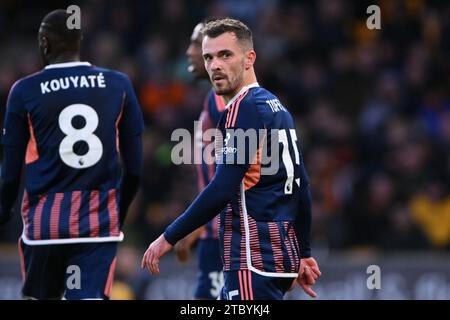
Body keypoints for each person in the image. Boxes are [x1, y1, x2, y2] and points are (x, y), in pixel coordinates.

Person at [142, 18, 320, 300]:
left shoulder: (241, 109)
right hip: (277, 259)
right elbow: (302, 187)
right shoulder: (277, 107)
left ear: (249, 58)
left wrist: (168, 236)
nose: (214, 65)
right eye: (209, 57)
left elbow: (223, 188)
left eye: (225, 55)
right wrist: (304, 252)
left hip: (251, 260)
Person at [0, 9, 144, 299]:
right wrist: (120, 209)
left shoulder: (24, 90)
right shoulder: (118, 84)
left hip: (45, 225)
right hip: (97, 224)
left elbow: (10, 172)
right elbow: (135, 168)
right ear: (80, 41)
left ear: (44, 43)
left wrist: (3, 209)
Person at [173, 20, 226, 300]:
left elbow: (239, 177)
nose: (188, 52)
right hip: (215, 235)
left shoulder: (226, 103)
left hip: (229, 237)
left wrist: (193, 226)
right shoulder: (213, 100)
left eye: (196, 44)